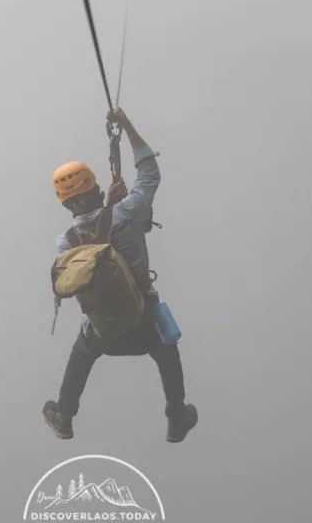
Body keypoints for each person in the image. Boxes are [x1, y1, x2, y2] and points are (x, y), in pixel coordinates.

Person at [42, 107, 198, 443]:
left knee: (82, 351)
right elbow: (149, 174)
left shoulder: (64, 243)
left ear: (65, 204)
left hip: (104, 335)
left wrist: (108, 207)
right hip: (144, 325)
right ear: (96, 187)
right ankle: (176, 416)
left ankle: (64, 415)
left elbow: (92, 250)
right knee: (168, 350)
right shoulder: (127, 213)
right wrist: (125, 125)